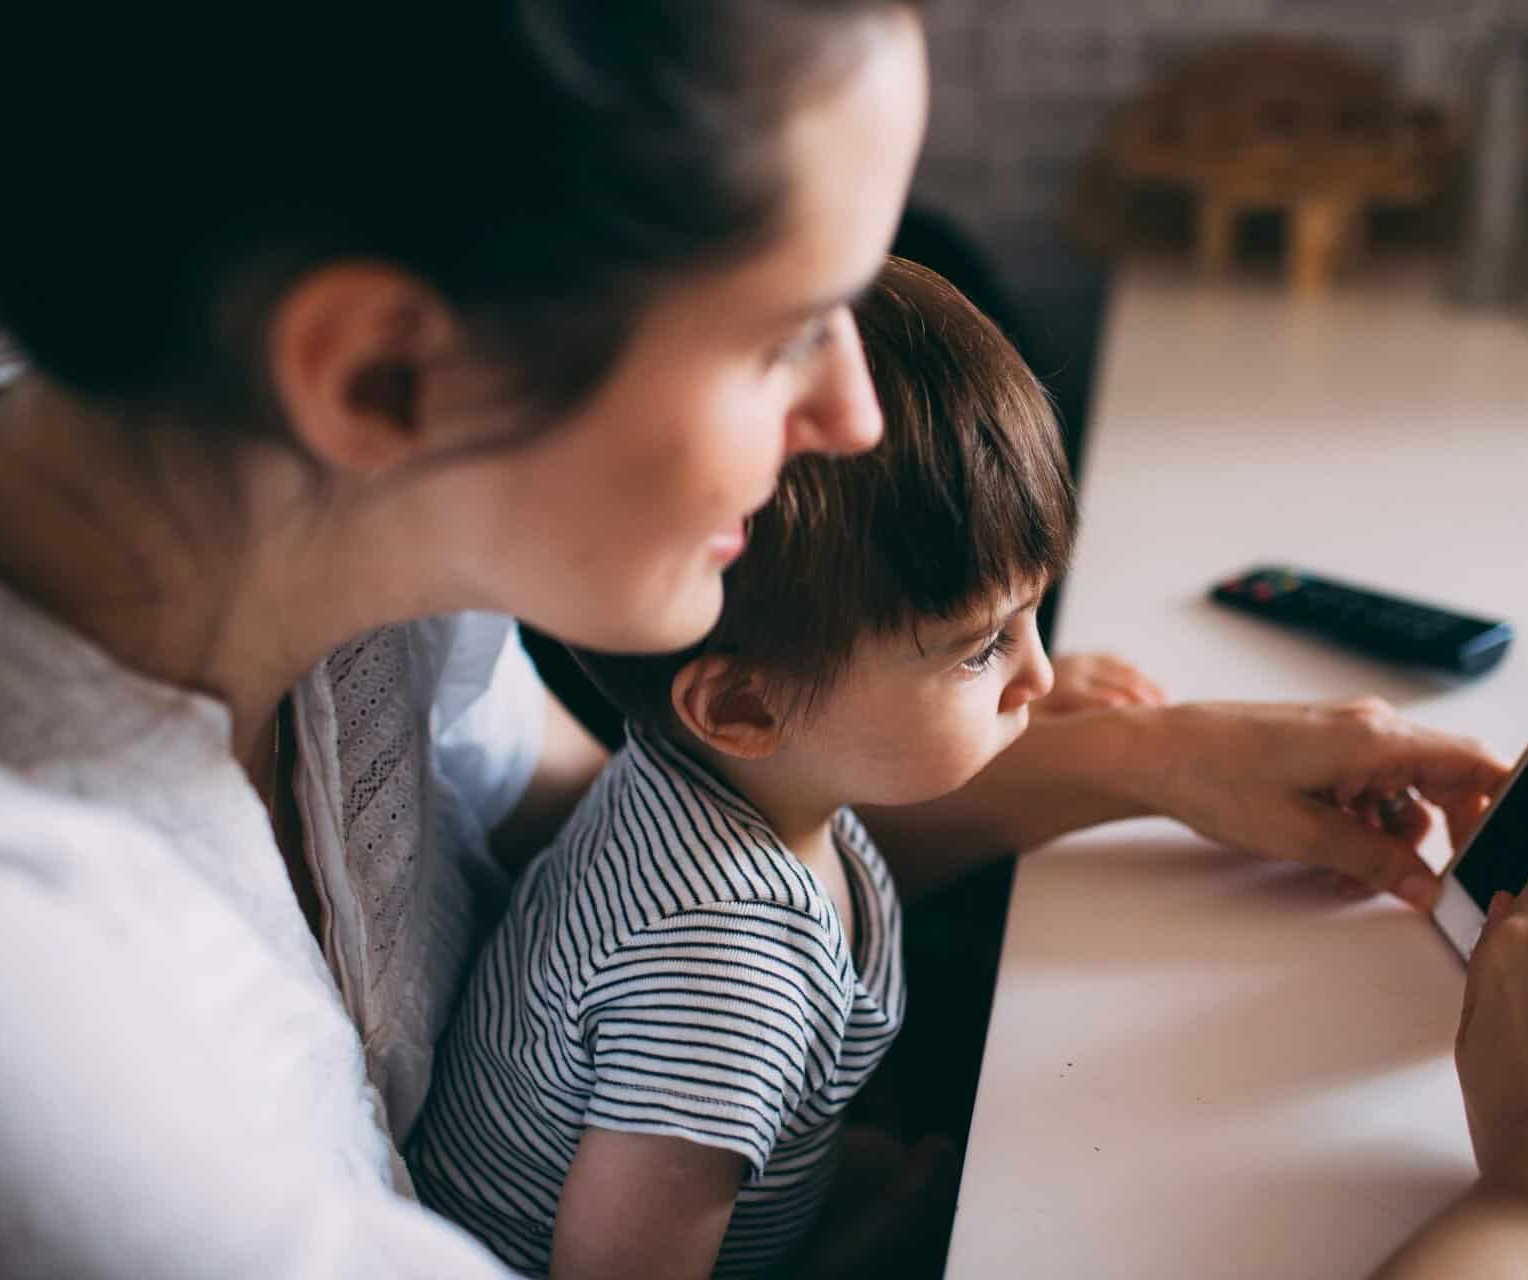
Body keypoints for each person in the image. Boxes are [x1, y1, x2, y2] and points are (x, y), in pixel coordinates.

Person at [0, 4, 1528, 1278]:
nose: (848, 410)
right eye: (784, 333)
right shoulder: (44, 1043)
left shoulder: (284, 515)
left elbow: (587, 840)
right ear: (382, 373)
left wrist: (1138, 760)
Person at [408, 257, 1077, 1277]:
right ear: (744, 704)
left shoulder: (727, 786)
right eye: (981, 646)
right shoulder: (723, 965)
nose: (1038, 672)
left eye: (1034, 615)